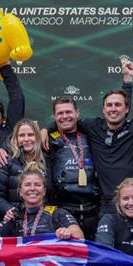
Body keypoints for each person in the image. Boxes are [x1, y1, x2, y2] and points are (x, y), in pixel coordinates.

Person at [46, 40, 133, 215]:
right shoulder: (93, 127)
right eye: (109, 105)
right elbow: (66, 119)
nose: (113, 109)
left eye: (118, 105)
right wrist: (45, 129)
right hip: (107, 207)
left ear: (127, 109)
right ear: (103, 109)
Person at [46, 96, 100, 239]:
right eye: (60, 113)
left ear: (77, 113)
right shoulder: (47, 139)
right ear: (54, 116)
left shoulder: (91, 135)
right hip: (64, 213)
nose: (65, 117)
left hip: (94, 211)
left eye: (69, 112)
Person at [0, 119, 51, 221]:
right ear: (15, 139)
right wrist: (9, 210)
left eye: (30, 135)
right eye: (22, 135)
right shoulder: (4, 160)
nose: (26, 139)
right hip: (13, 220)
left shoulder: (46, 160)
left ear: (37, 137)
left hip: (42, 221)